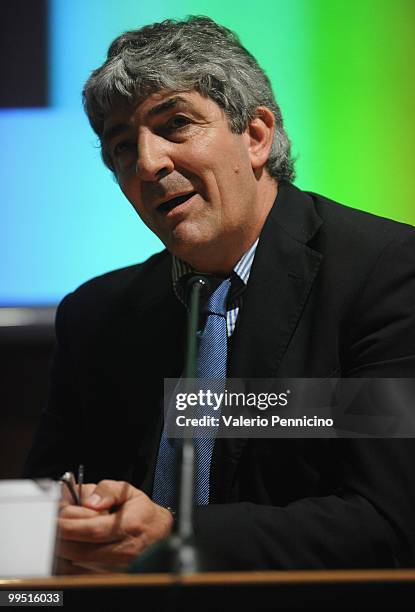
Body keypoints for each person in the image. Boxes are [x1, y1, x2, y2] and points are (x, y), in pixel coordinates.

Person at [24, 16, 415, 571]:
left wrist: (177, 537)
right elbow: (39, 519)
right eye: (122, 148)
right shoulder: (97, 316)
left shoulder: (385, 274)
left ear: (255, 136)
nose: (148, 163)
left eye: (175, 124)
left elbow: (389, 524)